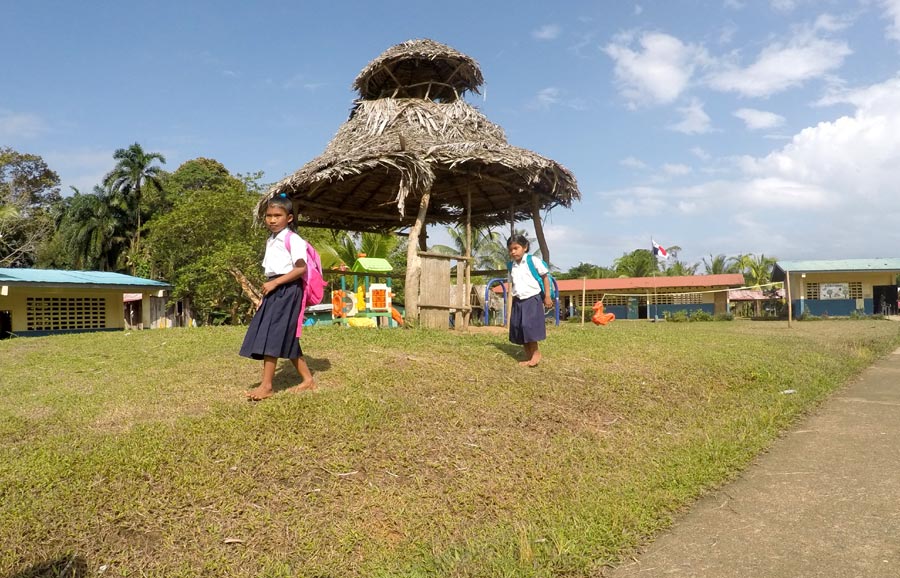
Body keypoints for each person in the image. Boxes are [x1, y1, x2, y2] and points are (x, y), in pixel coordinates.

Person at [240, 194, 316, 400]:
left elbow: (300, 268)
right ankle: (308, 380)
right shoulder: (272, 240)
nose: (272, 220)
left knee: (271, 335)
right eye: (268, 216)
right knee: (285, 335)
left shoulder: (294, 239)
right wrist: (269, 292)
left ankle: (266, 386)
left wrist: (275, 283)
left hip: (288, 289)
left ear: (289, 218)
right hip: (275, 290)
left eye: (277, 215)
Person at [506, 234, 553, 367]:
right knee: (519, 327)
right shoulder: (511, 266)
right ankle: (529, 356)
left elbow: (545, 277)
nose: (513, 252)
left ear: (525, 247)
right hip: (518, 300)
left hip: (532, 298)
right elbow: (512, 284)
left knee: (528, 327)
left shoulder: (533, 261)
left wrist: (547, 296)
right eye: (510, 249)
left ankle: (536, 353)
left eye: (516, 248)